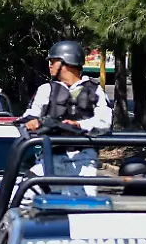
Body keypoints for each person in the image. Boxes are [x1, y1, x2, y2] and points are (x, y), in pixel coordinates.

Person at [22, 40, 112, 196]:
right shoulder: (45, 90)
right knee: (24, 194)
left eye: (53, 61)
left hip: (84, 158)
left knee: (83, 206)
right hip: (51, 156)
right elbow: (30, 114)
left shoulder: (95, 90)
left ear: (67, 62)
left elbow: (105, 121)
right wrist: (31, 122)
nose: (49, 65)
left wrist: (78, 125)